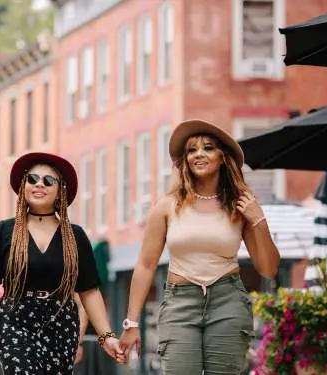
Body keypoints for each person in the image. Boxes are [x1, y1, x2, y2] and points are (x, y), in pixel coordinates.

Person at [119, 120, 280, 374]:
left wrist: (258, 219)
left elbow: (269, 269)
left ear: (222, 157)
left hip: (228, 302)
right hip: (179, 302)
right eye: (192, 150)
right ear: (185, 160)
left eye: (207, 148)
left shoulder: (240, 206)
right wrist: (131, 323)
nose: (199, 154)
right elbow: (146, 264)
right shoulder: (167, 206)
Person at [0, 152, 124, 374]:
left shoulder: (75, 236)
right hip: (15, 319)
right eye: (32, 179)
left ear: (60, 190)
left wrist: (107, 337)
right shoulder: (4, 231)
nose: (39, 184)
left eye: (48, 180)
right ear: (23, 186)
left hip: (61, 321)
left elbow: (89, 292)